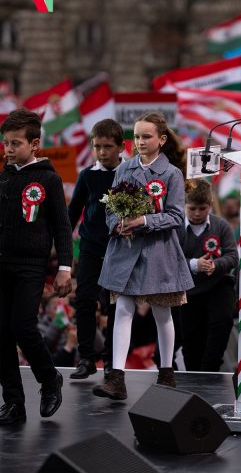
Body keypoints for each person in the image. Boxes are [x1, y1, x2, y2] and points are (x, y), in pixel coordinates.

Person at [92, 112, 193, 400]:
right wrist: (118, 224)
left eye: (146, 136)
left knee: (163, 313)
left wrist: (144, 222)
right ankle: (116, 378)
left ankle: (166, 372)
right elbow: (110, 208)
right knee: (123, 310)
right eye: (136, 136)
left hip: (158, 252)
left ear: (161, 140)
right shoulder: (124, 170)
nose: (140, 142)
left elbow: (175, 216)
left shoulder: (172, 174)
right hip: (125, 252)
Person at [0, 108, 72, 425]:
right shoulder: (3, 176)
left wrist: (65, 268)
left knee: (23, 327)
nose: (9, 149)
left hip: (30, 266)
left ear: (34, 145)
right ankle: (14, 402)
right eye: (6, 143)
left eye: (16, 143)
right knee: (1, 333)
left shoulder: (49, 179)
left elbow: (62, 227)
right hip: (1, 265)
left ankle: (49, 379)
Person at [67, 119, 124, 379]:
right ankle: (87, 357)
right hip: (90, 246)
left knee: (116, 305)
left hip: (120, 248)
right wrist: (60, 243)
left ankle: (112, 361)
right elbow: (73, 211)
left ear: (121, 147)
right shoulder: (88, 175)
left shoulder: (130, 173)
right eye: (97, 146)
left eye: (107, 146)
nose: (102, 152)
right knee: (84, 300)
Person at [178, 179, 238, 372]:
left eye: (202, 209)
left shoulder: (221, 226)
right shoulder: (176, 227)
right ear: (184, 205)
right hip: (188, 291)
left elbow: (232, 256)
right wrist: (195, 265)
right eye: (192, 208)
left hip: (217, 286)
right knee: (191, 342)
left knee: (220, 326)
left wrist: (215, 265)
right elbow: (167, 259)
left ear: (210, 205)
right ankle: (194, 379)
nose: (197, 214)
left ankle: (211, 371)